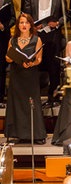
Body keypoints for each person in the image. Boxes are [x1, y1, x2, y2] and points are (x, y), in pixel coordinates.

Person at [23, 0, 66, 106]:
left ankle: (53, 98)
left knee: (54, 66)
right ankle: (33, 98)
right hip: (36, 34)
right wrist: (33, 26)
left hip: (53, 34)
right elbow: (26, 13)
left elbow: (65, 15)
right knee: (35, 65)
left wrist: (58, 23)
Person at [4, 13, 46, 144]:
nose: (24, 25)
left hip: (30, 75)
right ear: (18, 25)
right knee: (17, 103)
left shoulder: (36, 39)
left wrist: (32, 63)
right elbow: (7, 57)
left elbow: (39, 58)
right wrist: (12, 58)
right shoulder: (12, 40)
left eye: (26, 23)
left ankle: (37, 134)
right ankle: (17, 134)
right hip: (17, 74)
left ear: (30, 25)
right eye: (21, 23)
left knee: (32, 102)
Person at [0, 0, 16, 106]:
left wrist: (4, 26)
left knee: (1, 68)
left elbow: (13, 18)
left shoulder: (7, 0)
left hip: (2, 38)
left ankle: (0, 97)